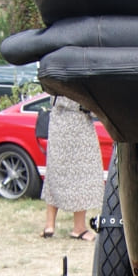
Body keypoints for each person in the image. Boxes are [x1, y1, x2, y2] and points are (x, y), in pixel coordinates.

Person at [41, 95, 103, 240]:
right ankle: (79, 228)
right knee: (82, 174)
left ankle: (49, 225)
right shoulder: (77, 74)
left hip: (58, 120)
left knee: (55, 172)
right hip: (79, 121)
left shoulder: (57, 74)